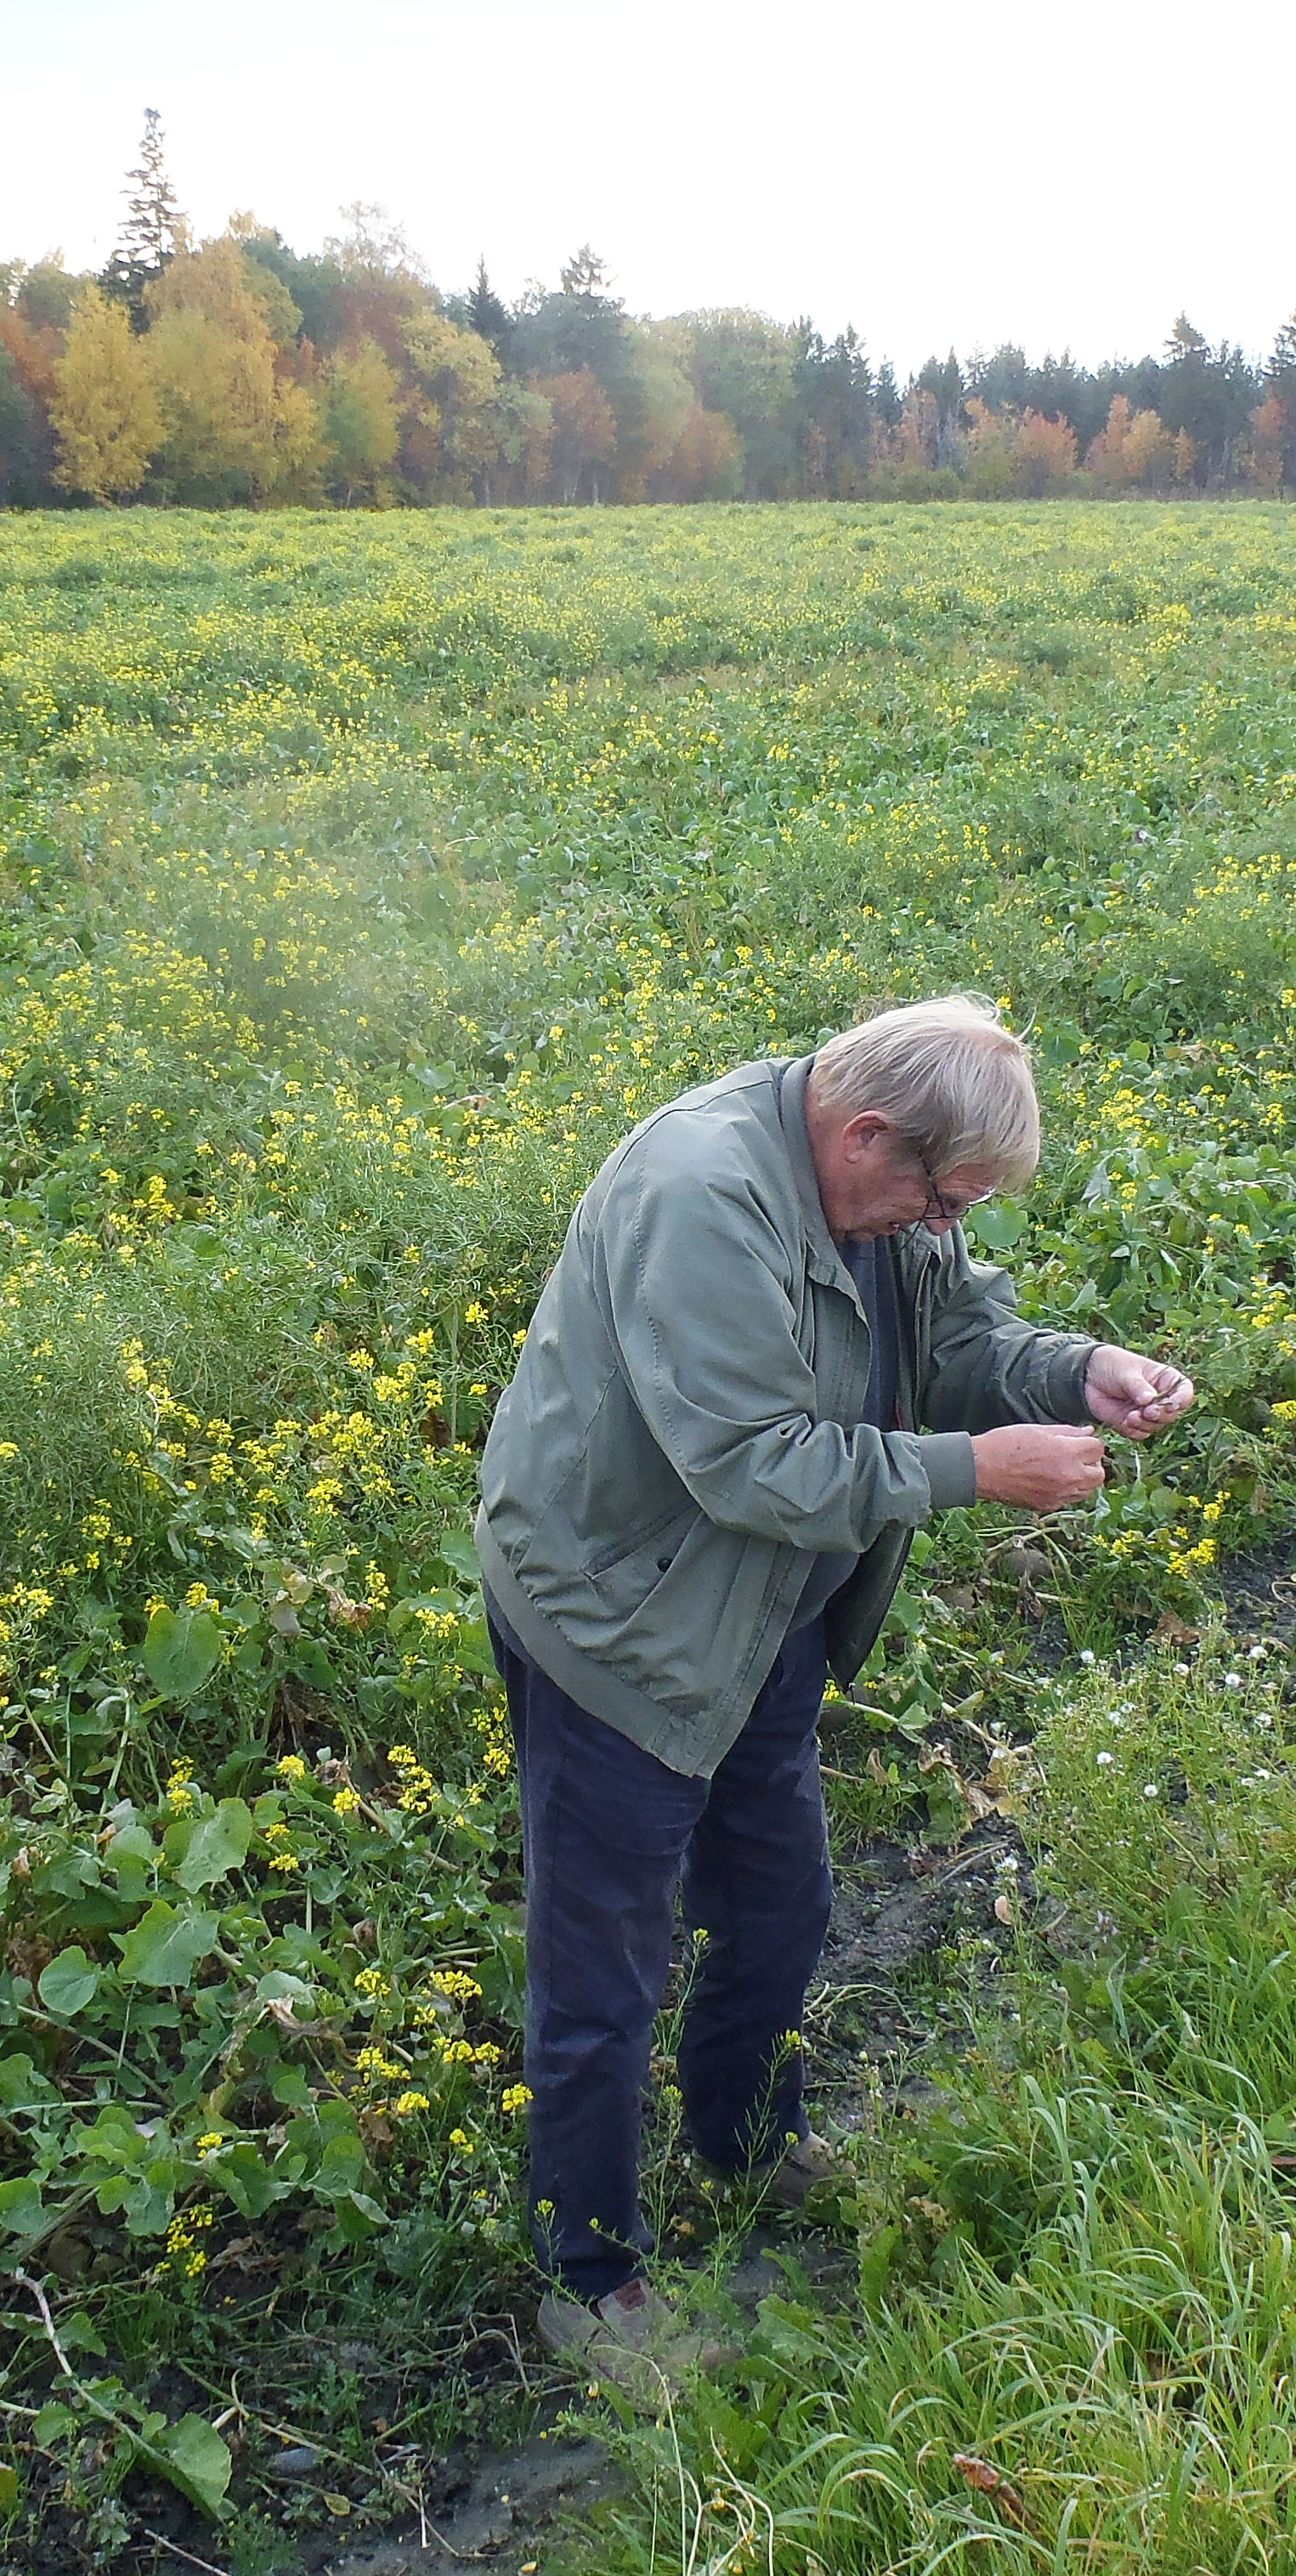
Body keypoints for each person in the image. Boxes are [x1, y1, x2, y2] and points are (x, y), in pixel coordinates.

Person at [474, 994, 1195, 2395]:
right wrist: (975, 1469)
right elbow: (751, 1464)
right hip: (621, 1620)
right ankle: (588, 2274)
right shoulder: (704, 1195)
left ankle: (743, 2143)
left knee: (781, 1898)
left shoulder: (890, 1195)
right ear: (866, 1134)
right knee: (603, 1964)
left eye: (961, 1208)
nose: (945, 1228)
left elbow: (960, 1331)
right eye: (940, 1200)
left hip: (755, 1621)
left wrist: (1075, 1371)